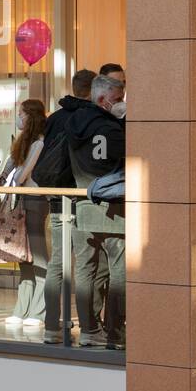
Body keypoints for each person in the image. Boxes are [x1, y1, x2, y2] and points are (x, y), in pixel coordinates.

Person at [37, 69, 97, 344]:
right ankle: (87, 329)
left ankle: (51, 325)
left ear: (73, 87)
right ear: (94, 89)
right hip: (82, 198)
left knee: (57, 263)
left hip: (56, 196)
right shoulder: (91, 118)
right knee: (84, 263)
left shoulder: (55, 117)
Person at [69, 73, 126, 349]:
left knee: (87, 270)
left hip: (81, 205)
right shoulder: (113, 128)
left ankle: (89, 328)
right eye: (118, 99)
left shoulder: (73, 122)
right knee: (120, 270)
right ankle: (115, 332)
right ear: (103, 99)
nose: (121, 103)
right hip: (113, 208)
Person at [1, 99, 49, 327]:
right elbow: (11, 169)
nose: (18, 117)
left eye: (21, 113)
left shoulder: (39, 143)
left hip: (33, 200)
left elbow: (23, 174)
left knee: (38, 255)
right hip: (19, 199)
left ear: (30, 116)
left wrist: (11, 178)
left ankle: (39, 311)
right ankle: (22, 309)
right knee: (24, 256)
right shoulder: (22, 142)